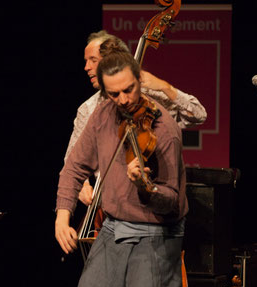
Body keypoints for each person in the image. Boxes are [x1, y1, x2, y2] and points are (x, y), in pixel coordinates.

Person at [55, 51, 188, 287]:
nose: (125, 99)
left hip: (156, 235)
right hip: (114, 229)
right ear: (104, 91)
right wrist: (62, 214)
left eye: (129, 90)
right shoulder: (102, 115)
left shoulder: (164, 129)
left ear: (138, 81)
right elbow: (74, 166)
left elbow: (170, 199)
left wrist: (147, 188)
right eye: (114, 93)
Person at [66, 30, 205, 205]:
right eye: (86, 61)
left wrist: (164, 87)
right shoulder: (88, 108)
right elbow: (72, 157)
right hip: (110, 202)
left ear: (112, 62)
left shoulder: (148, 99)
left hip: (154, 196)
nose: (86, 67)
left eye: (92, 60)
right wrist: (83, 184)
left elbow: (198, 115)